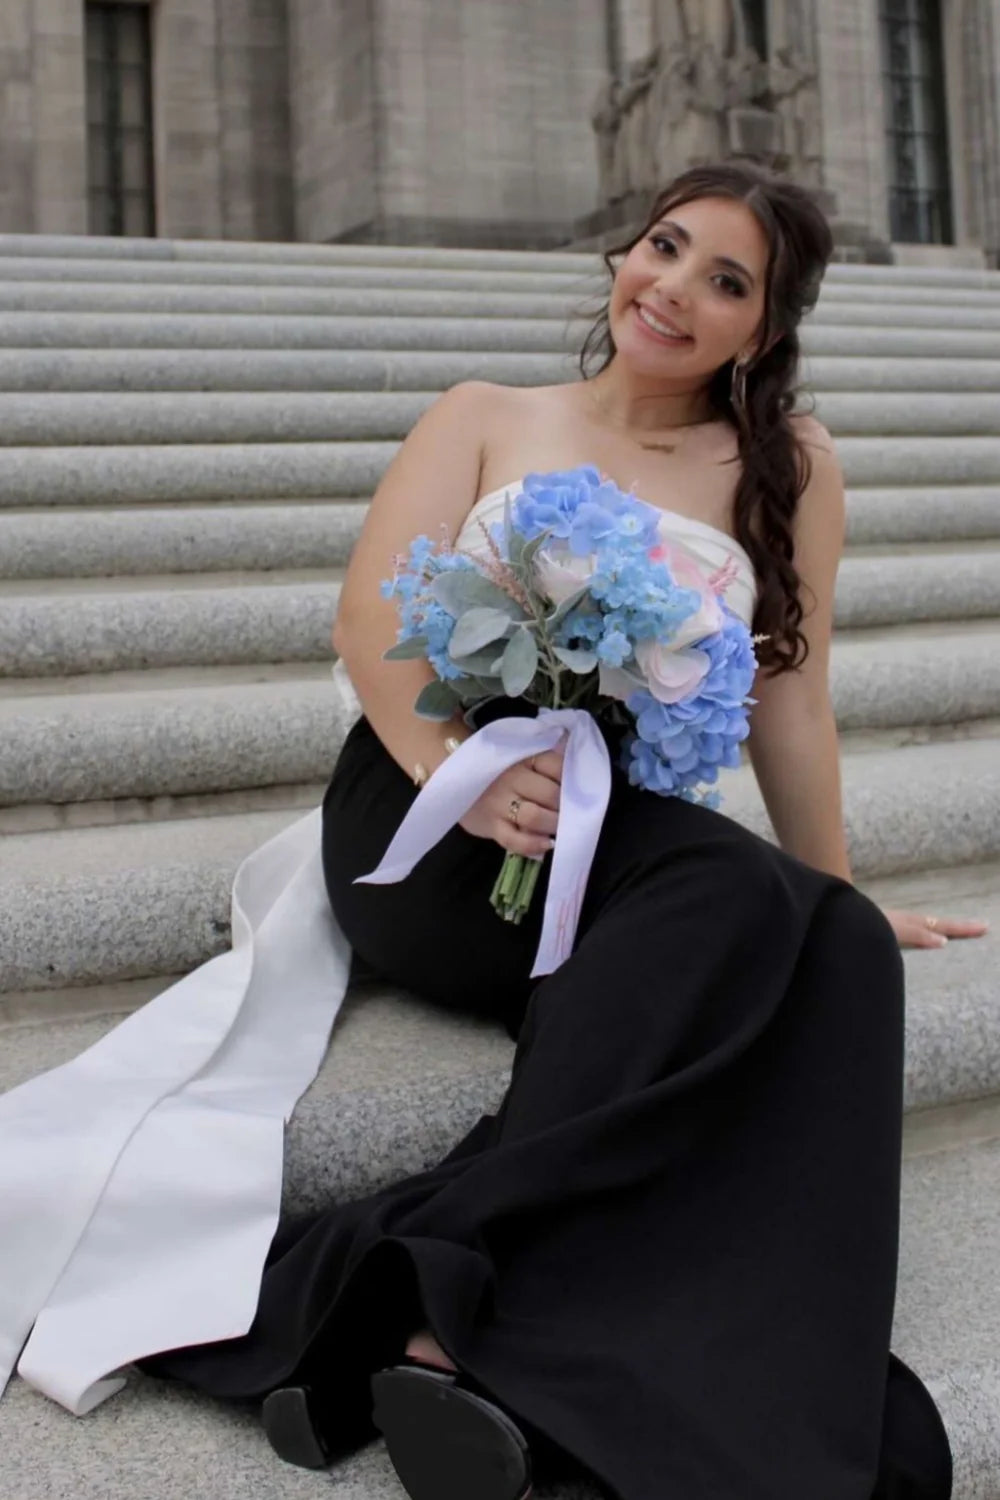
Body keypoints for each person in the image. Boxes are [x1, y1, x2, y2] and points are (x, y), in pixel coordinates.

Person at [16, 160, 987, 1500]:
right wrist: (457, 775)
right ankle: (462, 1312)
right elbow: (370, 617)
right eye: (664, 246)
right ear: (622, 256)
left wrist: (833, 893)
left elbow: (792, 696)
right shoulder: (484, 414)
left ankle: (428, 1306)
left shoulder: (793, 465)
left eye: (726, 281)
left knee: (836, 952)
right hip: (426, 813)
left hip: (618, 825)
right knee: (726, 908)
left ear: (762, 330)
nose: (674, 289)